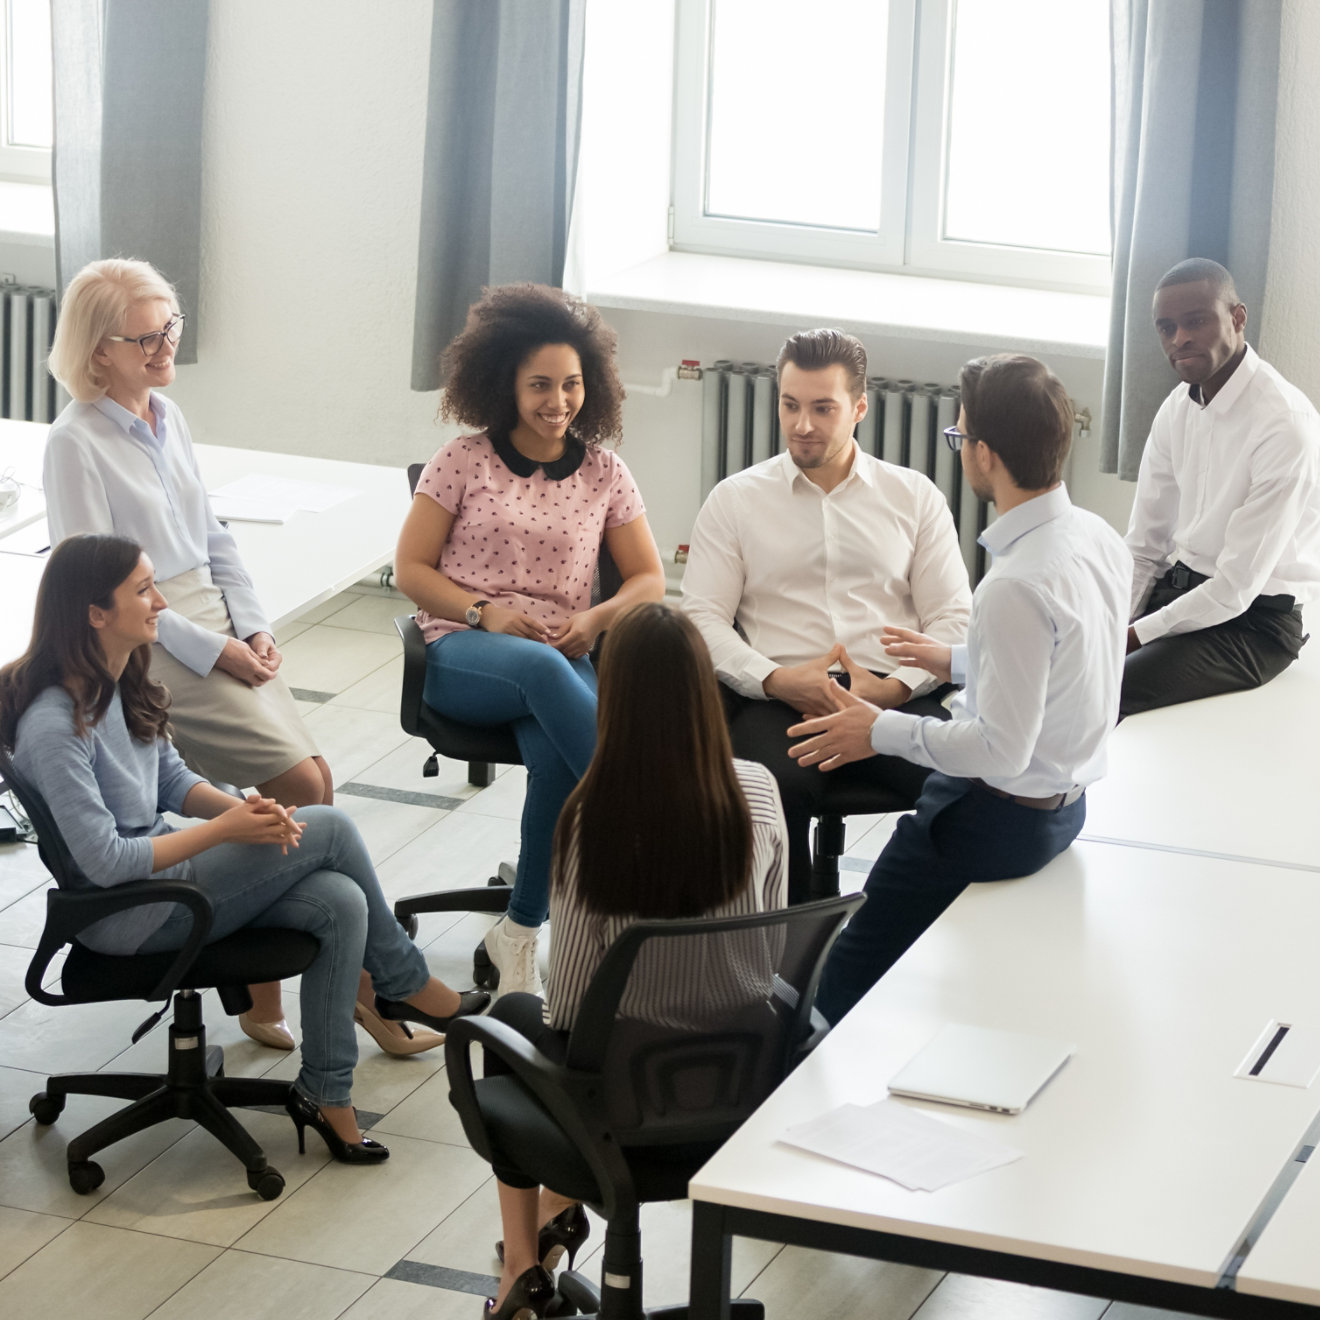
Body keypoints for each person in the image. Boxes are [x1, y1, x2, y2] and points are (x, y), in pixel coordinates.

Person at [0, 535, 488, 1162]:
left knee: (338, 898)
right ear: (95, 614)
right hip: (126, 912)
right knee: (331, 829)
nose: (161, 600)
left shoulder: (115, 682)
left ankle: (327, 1095)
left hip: (162, 876)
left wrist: (250, 814)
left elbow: (172, 781)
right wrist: (229, 833)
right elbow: (103, 862)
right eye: (144, 590)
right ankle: (405, 983)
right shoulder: (53, 725)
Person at [41, 258, 413, 1056]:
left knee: (311, 782)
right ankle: (361, 988)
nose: (164, 345)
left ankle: (283, 987)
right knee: (299, 787)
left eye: (169, 327)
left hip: (212, 616)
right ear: (98, 349)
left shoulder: (166, 416)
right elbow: (100, 584)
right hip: (154, 632)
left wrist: (254, 627)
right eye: (145, 336)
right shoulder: (75, 444)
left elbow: (215, 539)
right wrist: (214, 650)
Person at [787, 354, 1130, 1025]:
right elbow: (1070, 661)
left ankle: (794, 1074)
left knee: (850, 964)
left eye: (960, 435)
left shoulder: (1014, 583)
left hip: (991, 820)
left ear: (985, 454)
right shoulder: (1095, 537)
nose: (960, 448)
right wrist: (958, 661)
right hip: (1066, 810)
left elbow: (999, 750)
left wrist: (875, 730)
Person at [478, 603, 788, 1319]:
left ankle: (521, 1274)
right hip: (739, 1084)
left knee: (512, 1023)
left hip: (621, 1101)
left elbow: (575, 1004)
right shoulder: (762, 793)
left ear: (610, 698)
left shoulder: (590, 818)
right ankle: (556, 1215)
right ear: (703, 693)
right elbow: (768, 956)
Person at [394, 284, 666, 998]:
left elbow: (647, 580)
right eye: (540, 384)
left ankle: (518, 934)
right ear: (505, 383)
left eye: (571, 384)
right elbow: (410, 571)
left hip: (560, 657)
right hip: (463, 652)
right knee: (549, 679)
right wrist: (485, 612)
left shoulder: (606, 471)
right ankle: (652, 834)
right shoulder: (463, 459)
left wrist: (596, 620)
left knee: (558, 761)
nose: (558, 400)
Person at [681, 328, 972, 903]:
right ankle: (783, 960)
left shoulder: (914, 497)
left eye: (822, 408)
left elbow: (953, 619)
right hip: (782, 698)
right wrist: (775, 678)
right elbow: (702, 618)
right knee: (763, 792)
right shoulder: (736, 499)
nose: (802, 425)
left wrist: (892, 690)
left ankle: (906, 935)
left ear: (860, 407)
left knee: (969, 783)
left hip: (894, 698)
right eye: (790, 405)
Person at [1122, 257, 1320, 718]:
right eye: (1166, 327)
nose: (1179, 339)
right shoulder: (1176, 408)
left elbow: (1235, 588)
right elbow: (1144, 546)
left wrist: (1130, 637)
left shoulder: (1284, 426)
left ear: (1237, 318)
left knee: (1100, 690)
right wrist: (1117, 619)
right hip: (1180, 590)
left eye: (1195, 321)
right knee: (1064, 652)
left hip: (1255, 624)